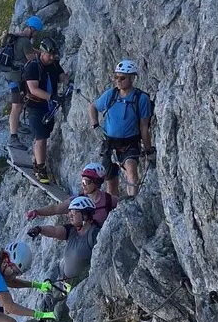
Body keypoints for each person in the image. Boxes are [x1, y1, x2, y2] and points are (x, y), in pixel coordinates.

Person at [90, 59, 153, 197]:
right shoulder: (111, 94)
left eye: (122, 78)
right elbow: (93, 107)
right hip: (109, 143)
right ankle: (112, 207)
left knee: (131, 169)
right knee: (110, 179)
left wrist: (148, 150)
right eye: (116, 77)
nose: (118, 81)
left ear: (131, 78)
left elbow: (144, 126)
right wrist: (95, 125)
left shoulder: (141, 99)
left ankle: (133, 200)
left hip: (129, 143)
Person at [21, 37, 68, 184]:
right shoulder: (33, 67)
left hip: (48, 106)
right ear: (42, 53)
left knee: (45, 135)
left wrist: (69, 79)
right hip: (35, 106)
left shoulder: (53, 64)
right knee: (41, 137)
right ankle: (40, 169)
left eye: (53, 55)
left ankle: (37, 163)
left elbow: (61, 77)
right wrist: (52, 97)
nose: (52, 57)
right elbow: (33, 89)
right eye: (49, 55)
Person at [27, 196, 101, 284]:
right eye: (69, 211)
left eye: (73, 212)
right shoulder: (72, 230)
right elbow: (54, 231)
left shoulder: (95, 234)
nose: (70, 215)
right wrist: (39, 229)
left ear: (85, 215)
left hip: (83, 284)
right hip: (67, 283)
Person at [0, 16, 43, 151]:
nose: (36, 35)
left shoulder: (17, 37)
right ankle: (13, 137)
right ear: (32, 29)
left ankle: (16, 124)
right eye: (36, 32)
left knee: (18, 104)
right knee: (17, 106)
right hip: (17, 78)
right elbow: (31, 60)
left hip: (10, 75)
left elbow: (30, 50)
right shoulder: (25, 41)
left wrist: (42, 52)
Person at [26, 163, 117, 225]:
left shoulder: (109, 200)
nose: (83, 185)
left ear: (97, 183)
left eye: (87, 182)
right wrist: (37, 212)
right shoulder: (77, 201)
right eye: (82, 181)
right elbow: (56, 209)